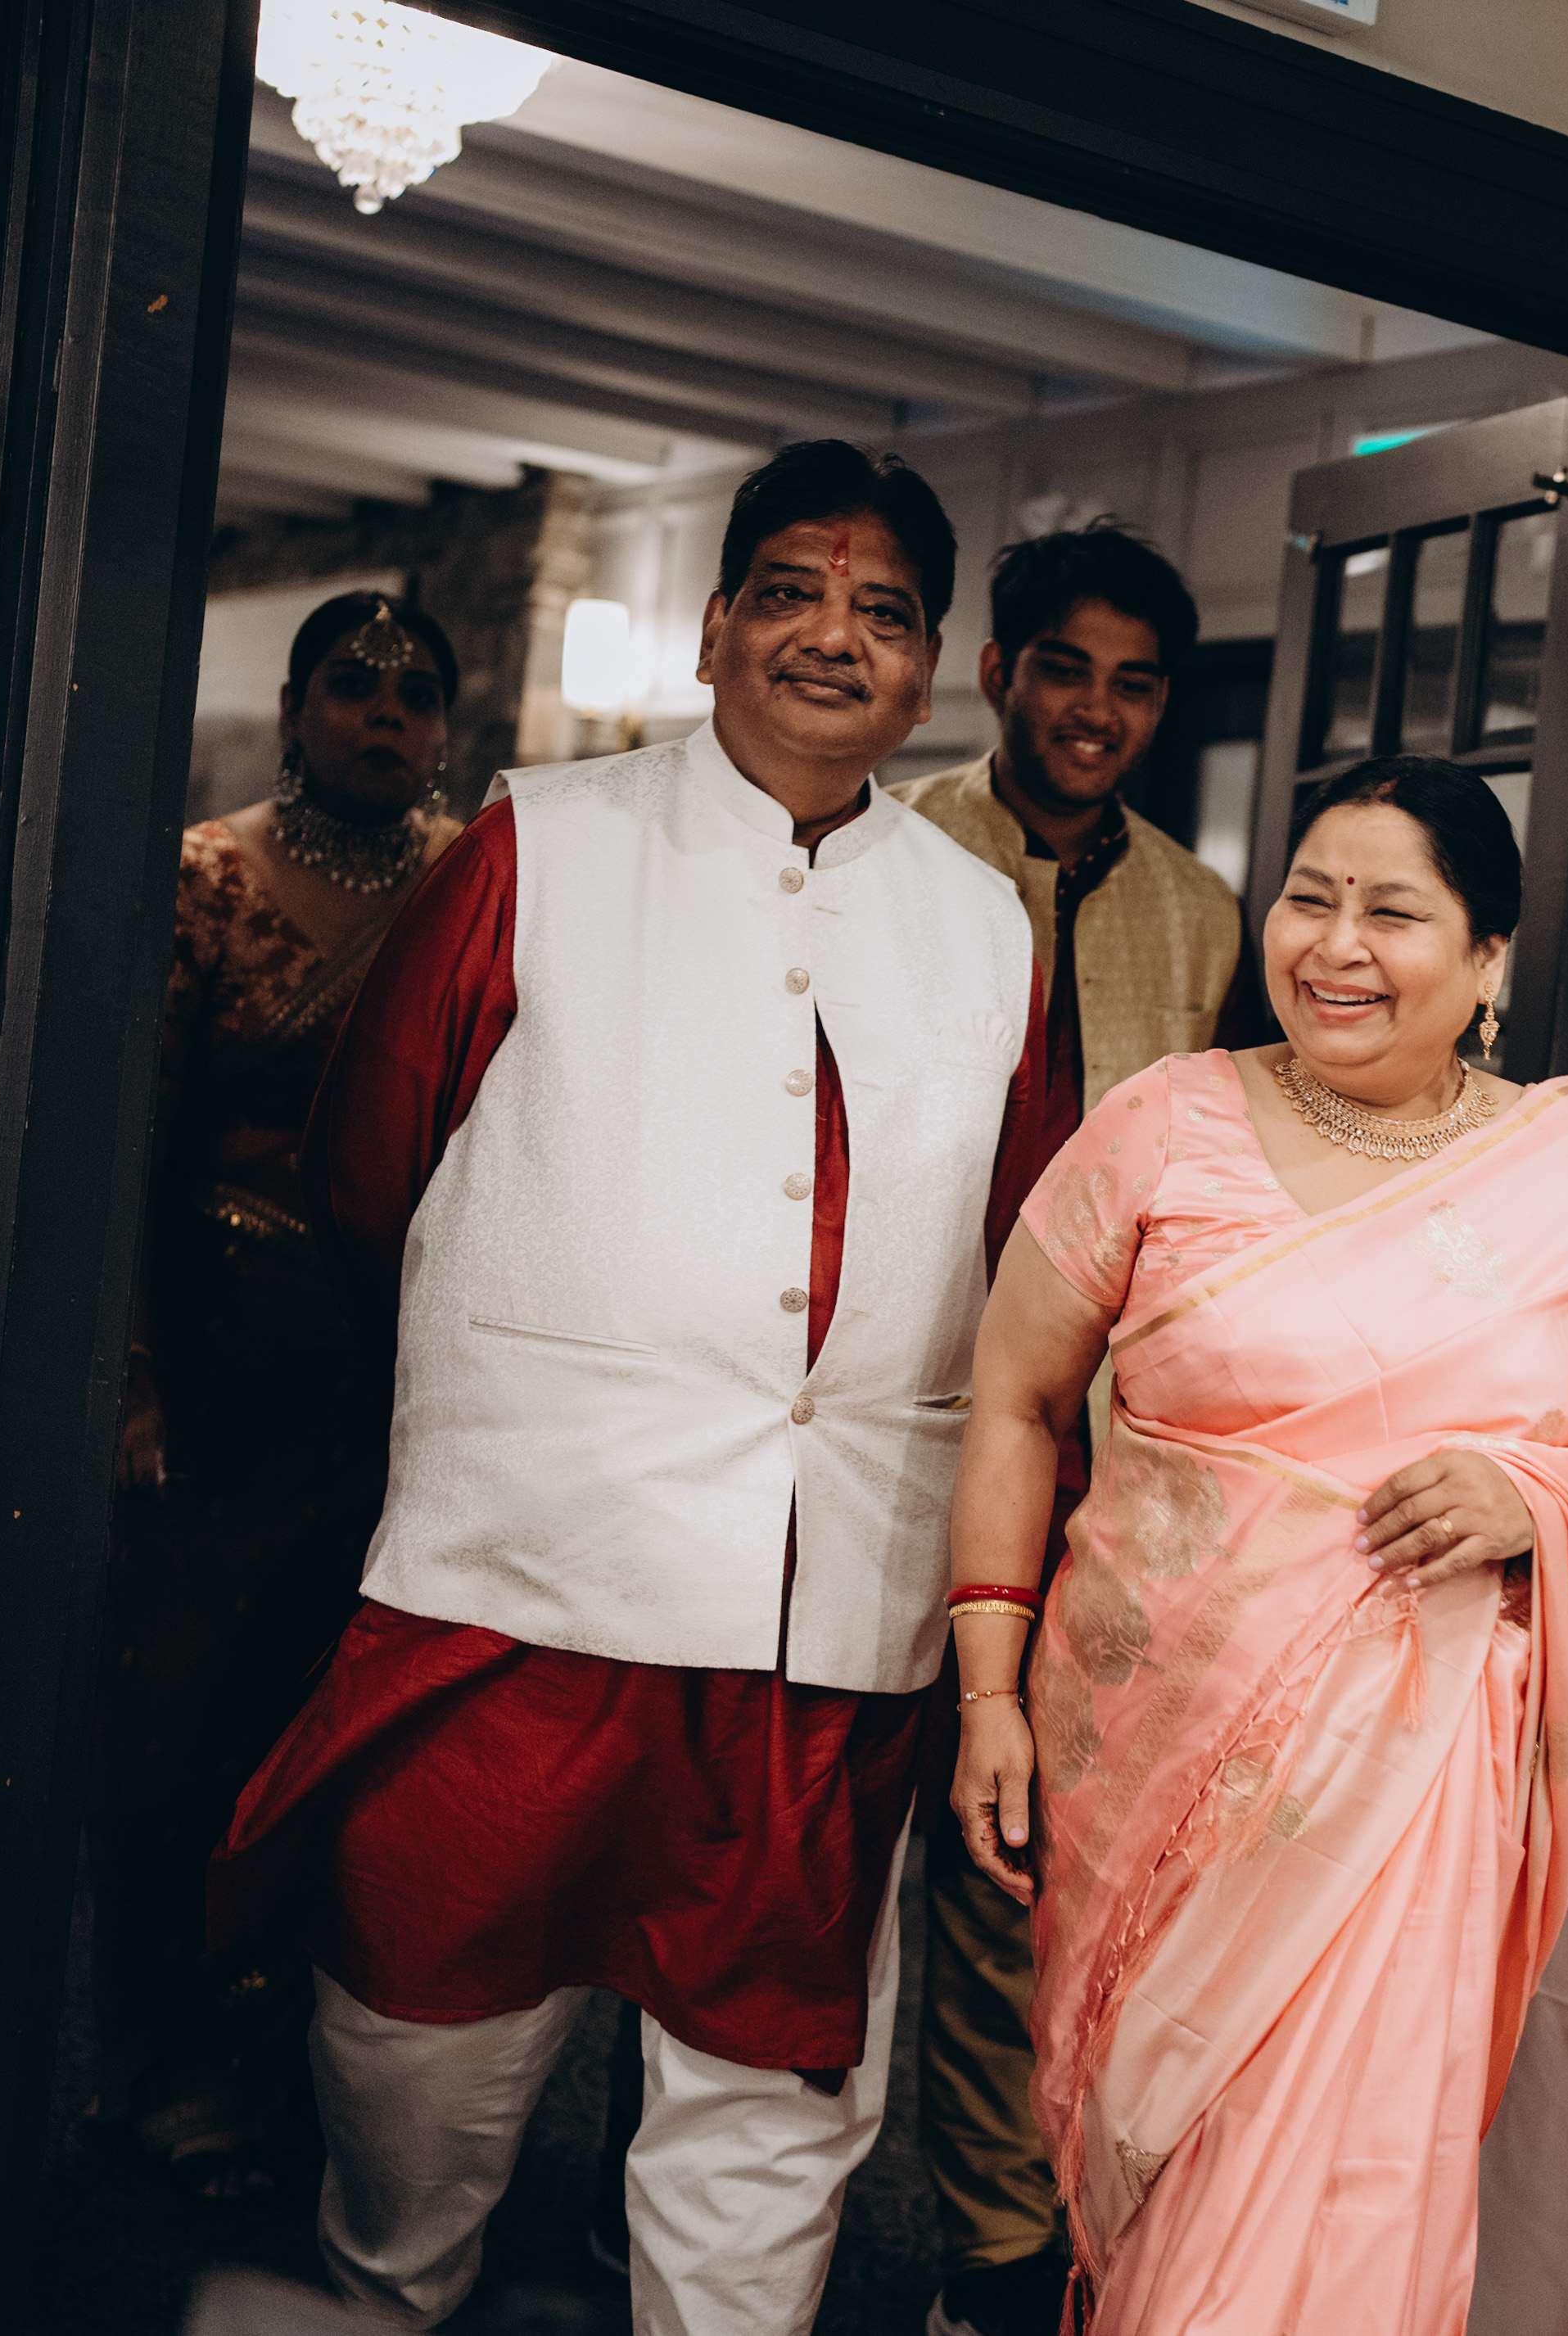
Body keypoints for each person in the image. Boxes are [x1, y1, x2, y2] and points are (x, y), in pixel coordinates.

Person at [211, 441, 1046, 2335]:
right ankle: (383, 2290)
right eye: (791, 591)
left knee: (774, 2098)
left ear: (930, 672)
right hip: (526, 1571)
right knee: (417, 2033)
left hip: (829, 1612)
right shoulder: (538, 846)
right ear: (715, 624)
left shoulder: (982, 923)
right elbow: (368, 1168)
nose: (832, 634)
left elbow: (1025, 1246)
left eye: (884, 611)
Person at [945, 757, 1568, 2334]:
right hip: (1152, 1747)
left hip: (1407, 1778)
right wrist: (986, 1691)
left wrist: (1531, 1498)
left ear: (1489, 958)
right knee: (1159, 2163)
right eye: (1309, 897)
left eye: (1394, 912)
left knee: (1336, 2190)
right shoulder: (1164, 1124)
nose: (1336, 944)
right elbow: (1013, 1399)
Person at [885, 522, 1257, 2336]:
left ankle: (994, 2261)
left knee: (1006, 1861)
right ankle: (681, 2211)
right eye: (1064, 668)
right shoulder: (892, 858)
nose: (1096, 709)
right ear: (996, 674)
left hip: (1083, 1450)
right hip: (874, 1410)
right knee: (790, 1844)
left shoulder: (1206, 914)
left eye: (1134, 682)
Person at [89, 591, 464, 2197]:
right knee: (178, 1728)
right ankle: (164, 2058)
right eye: (354, 683)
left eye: (416, 691)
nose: (385, 711)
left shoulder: (471, 882)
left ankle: (309, 2076)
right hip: (220, 1366)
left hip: (406, 1381)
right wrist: (128, 1380)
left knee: (351, 1742)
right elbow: (129, 1141)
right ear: (300, 704)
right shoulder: (206, 873)